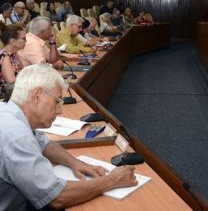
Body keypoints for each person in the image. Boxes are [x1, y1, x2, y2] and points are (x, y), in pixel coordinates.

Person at [0, 63, 137, 210]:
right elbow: (57, 197)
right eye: (57, 101)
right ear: (37, 95)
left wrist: (75, 163)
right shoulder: (16, 135)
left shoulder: (8, 112)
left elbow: (44, 144)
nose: (60, 111)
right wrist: (112, 180)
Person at [0, 23, 25, 99]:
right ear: (13, 41)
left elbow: (23, 73)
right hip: (6, 97)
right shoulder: (4, 56)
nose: (26, 41)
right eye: (24, 38)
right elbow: (12, 84)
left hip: (16, 94)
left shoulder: (13, 54)